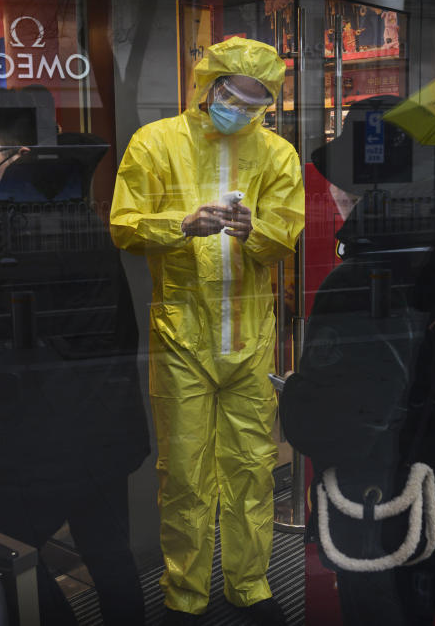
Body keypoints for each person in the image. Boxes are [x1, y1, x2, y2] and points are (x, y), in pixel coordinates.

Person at [0, 87, 149, 626]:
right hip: (99, 425)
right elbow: (66, 320)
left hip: (52, 437)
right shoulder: (65, 210)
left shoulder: (32, 231)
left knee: (3, 553)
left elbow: (31, 355)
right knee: (108, 554)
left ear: (21, 157)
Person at [280, 98, 435, 625]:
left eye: (340, 178)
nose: (333, 192)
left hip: (389, 515)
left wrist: (295, 391)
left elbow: (337, 424)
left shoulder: (366, 277)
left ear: (365, 190)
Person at [110, 37, 305, 625]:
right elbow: (124, 224)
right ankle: (186, 595)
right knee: (186, 475)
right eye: (233, 96)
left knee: (252, 469)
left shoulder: (277, 155)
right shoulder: (155, 144)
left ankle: (250, 585)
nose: (240, 111)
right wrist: (182, 224)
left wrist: (255, 230)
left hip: (250, 338)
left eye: (255, 103)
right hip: (180, 337)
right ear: (209, 85)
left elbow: (286, 236)